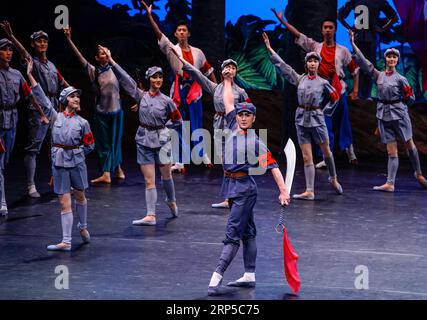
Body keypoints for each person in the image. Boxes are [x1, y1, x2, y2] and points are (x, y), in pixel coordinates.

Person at [207, 64, 290, 296]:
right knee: (248, 232)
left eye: (247, 115)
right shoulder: (232, 123)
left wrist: (283, 191)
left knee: (232, 234)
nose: (242, 117)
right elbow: (229, 102)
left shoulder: (256, 142)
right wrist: (226, 82)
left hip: (244, 189)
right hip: (232, 186)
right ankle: (250, 275)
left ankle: (216, 278)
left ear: (253, 119)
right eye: (241, 114)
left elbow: (273, 166)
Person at [100, 45, 182, 226]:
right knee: (149, 179)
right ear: (149, 79)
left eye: (160, 77)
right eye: (154, 77)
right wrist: (111, 60)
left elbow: (178, 121)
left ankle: (171, 200)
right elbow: (124, 78)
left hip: (161, 140)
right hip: (144, 139)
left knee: (166, 175)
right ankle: (151, 215)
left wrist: (164, 128)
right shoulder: (141, 96)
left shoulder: (167, 101)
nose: (158, 80)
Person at [272, 11, 359, 166]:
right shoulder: (315, 46)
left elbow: (354, 70)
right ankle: (327, 156)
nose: (327, 30)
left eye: (330, 27)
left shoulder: (342, 50)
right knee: (324, 123)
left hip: (338, 89)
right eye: (325, 27)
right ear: (321, 30)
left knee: (342, 121)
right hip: (320, 90)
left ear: (335, 30)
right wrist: (282, 20)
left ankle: (349, 149)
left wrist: (355, 90)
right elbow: (298, 35)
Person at [263, 32, 343, 200]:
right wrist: (270, 49)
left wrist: (326, 111)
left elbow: (335, 97)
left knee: (326, 151)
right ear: (306, 64)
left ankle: (333, 178)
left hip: (317, 118)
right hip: (301, 118)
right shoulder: (299, 79)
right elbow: (284, 67)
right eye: (310, 61)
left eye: (315, 61)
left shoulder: (323, 82)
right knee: (307, 156)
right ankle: (310, 190)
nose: (312, 64)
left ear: (318, 64)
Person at [26, 57, 95, 251]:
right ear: (65, 100)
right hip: (59, 163)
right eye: (73, 96)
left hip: (77, 163)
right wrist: (30, 74)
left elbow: (90, 145)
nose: (76, 99)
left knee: (80, 197)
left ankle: (83, 226)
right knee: (64, 202)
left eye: (78, 97)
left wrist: (78, 153)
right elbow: (40, 96)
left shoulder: (83, 123)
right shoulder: (55, 117)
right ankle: (66, 241)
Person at [141, 1, 216, 173]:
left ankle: (202, 154)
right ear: (175, 33)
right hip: (178, 89)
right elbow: (159, 34)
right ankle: (180, 161)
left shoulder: (198, 52)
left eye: (184, 30)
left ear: (188, 33)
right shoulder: (171, 49)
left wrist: (217, 89)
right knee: (177, 124)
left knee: (196, 122)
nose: (182, 32)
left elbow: (208, 70)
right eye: (179, 30)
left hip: (195, 89)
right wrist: (150, 16)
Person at [171, 49, 251, 209]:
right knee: (224, 164)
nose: (230, 69)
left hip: (233, 125)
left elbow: (250, 109)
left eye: (233, 68)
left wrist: (245, 126)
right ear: (222, 71)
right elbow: (197, 75)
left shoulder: (240, 92)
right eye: (227, 67)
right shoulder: (215, 88)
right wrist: (181, 59)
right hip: (218, 124)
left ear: (235, 72)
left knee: (233, 162)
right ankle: (229, 198)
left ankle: (238, 196)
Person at [349, 30, 427, 191]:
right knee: (391, 150)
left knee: (409, 143)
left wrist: (403, 105)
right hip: (383, 114)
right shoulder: (379, 76)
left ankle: (418, 173)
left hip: (399, 114)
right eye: (389, 56)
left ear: (397, 60)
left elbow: (410, 98)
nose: (391, 59)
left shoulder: (401, 79)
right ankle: (390, 183)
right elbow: (364, 63)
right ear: (385, 59)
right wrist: (353, 43)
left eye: (394, 57)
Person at [0, 21, 69, 197]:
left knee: (55, 145)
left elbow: (63, 82)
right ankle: (31, 185)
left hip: (54, 105)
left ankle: (56, 180)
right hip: (38, 106)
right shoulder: (33, 62)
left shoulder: (52, 65)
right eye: (38, 41)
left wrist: (73, 95)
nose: (42, 43)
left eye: (44, 40)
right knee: (34, 147)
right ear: (33, 44)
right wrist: (11, 36)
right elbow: (23, 51)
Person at [63, 27, 125, 184]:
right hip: (101, 113)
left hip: (117, 112)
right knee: (103, 144)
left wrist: (138, 101)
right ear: (97, 58)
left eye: (106, 52)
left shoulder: (116, 70)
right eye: (101, 53)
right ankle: (108, 172)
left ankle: (115, 169)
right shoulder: (93, 71)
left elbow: (130, 84)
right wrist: (69, 39)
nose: (104, 54)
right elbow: (79, 57)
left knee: (114, 142)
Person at [0, 38, 36, 216]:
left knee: (5, 160)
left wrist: (43, 114)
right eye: (4, 50)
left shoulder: (16, 74)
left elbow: (30, 94)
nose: (8, 53)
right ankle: (2, 202)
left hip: (12, 119)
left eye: (10, 50)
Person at [338, 0, 398, 99]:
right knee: (360, 67)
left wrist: (382, 29)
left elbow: (394, 17)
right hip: (363, 38)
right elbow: (339, 15)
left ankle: (365, 95)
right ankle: (360, 94)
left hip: (368, 38)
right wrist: (350, 28)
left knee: (368, 67)